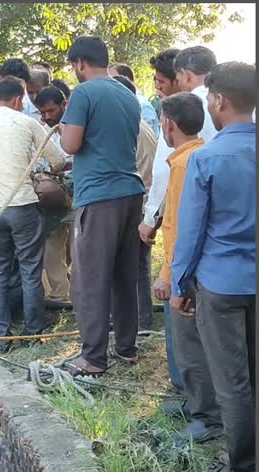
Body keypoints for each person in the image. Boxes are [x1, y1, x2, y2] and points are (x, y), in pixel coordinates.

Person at [170, 62, 256, 472]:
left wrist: (179, 283)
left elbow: (191, 232)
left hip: (220, 284)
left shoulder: (207, 158)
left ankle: (243, 470)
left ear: (219, 100)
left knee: (232, 382)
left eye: (209, 98)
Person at [58, 36, 145, 376]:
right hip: (131, 192)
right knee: (124, 275)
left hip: (99, 195)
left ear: (80, 63)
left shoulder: (82, 93)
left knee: (90, 277)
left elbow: (71, 144)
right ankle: (126, 347)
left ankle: (93, 357)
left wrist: (65, 126)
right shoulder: (126, 92)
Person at [0, 77, 66, 346]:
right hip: (21, 204)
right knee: (30, 268)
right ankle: (33, 331)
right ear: (17, 100)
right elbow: (58, 160)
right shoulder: (27, 122)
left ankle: (1, 334)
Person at [154, 92, 220, 445]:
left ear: (169, 124)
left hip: (185, 270)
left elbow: (179, 227)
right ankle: (196, 402)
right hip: (206, 267)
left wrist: (169, 277)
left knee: (189, 346)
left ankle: (205, 415)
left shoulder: (183, 164)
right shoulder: (201, 153)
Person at [137, 48, 184, 393]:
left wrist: (149, 219)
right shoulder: (219, 111)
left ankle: (184, 388)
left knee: (175, 297)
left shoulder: (177, 117)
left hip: (179, 230)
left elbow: (164, 176)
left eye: (160, 81)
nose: (157, 88)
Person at [113, 74, 158, 330]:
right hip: (144, 201)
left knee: (133, 266)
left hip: (137, 203)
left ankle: (139, 321)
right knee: (138, 265)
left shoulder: (130, 128)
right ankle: (141, 319)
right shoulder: (142, 124)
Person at [33, 85, 72, 302]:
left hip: (78, 192)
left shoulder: (75, 126)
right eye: (43, 112)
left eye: (51, 111)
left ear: (63, 105)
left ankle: (81, 291)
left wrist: (60, 166)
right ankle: (58, 293)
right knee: (53, 241)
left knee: (78, 244)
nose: (47, 116)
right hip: (51, 195)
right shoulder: (41, 131)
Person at [172, 46, 218, 142]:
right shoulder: (236, 102)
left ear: (187, 76)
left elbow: (166, 155)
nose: (178, 84)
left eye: (178, 79)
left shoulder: (180, 107)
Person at [109, 62, 160, 136]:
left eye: (113, 79)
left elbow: (146, 139)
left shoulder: (142, 105)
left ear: (126, 79)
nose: (109, 83)